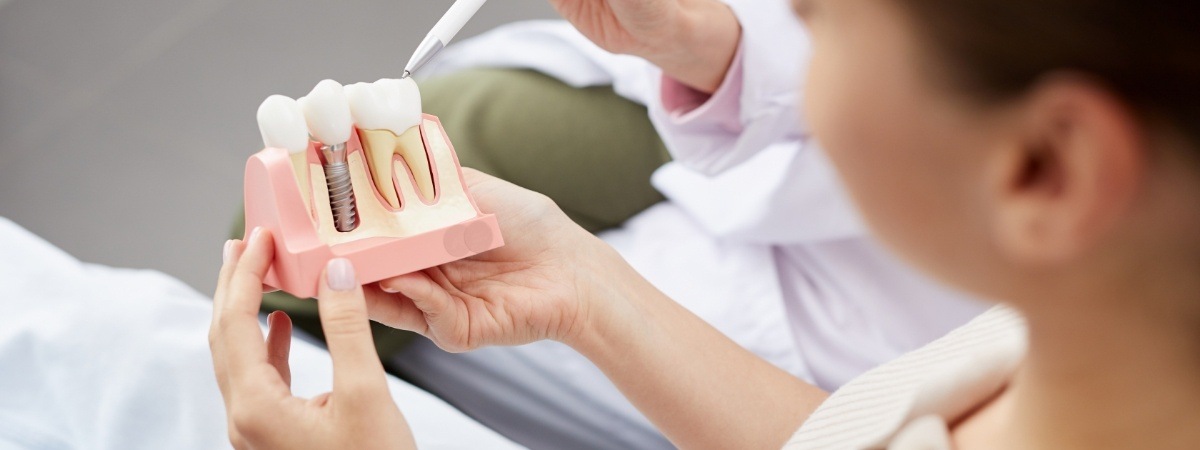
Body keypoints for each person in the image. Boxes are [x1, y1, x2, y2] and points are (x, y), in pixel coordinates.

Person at [212, 0, 1200, 448]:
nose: (787, 26)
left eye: (817, 18)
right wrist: (589, 292)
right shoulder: (1083, 355)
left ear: (1045, 172)